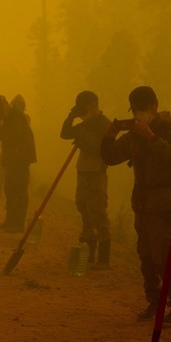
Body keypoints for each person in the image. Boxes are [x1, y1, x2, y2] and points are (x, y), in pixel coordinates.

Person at [101, 86, 171, 324]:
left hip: (164, 203)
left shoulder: (168, 128)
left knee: (164, 255)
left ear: (155, 106)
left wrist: (151, 136)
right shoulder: (134, 134)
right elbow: (111, 157)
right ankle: (155, 300)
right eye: (136, 110)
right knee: (146, 256)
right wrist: (109, 136)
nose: (140, 114)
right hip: (142, 202)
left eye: (143, 109)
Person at [60, 91, 112, 269]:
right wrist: (71, 116)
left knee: (98, 211)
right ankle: (88, 250)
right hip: (82, 171)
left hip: (96, 173)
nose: (84, 111)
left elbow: (106, 151)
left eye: (85, 107)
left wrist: (85, 143)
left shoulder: (105, 124)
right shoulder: (84, 124)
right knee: (82, 206)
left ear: (94, 105)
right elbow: (65, 133)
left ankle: (103, 258)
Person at [0, 94, 36, 232]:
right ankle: (10, 220)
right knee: (9, 188)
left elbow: (9, 136)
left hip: (20, 159)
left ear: (4, 105)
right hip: (12, 158)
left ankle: (18, 223)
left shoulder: (16, 116)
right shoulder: (10, 116)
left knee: (19, 190)